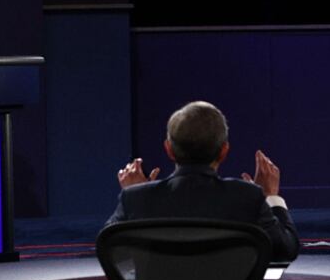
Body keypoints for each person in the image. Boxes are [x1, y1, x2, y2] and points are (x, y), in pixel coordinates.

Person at [106, 100, 300, 262]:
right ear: (224, 151)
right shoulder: (247, 197)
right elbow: (284, 250)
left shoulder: (137, 198)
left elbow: (108, 250)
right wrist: (271, 197)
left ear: (169, 150)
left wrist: (139, 196)